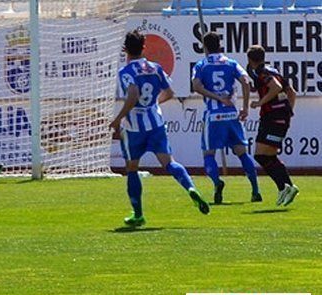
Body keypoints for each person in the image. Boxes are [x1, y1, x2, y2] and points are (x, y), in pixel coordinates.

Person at [110, 30, 210, 227]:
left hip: (134, 128)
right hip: (155, 122)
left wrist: (118, 119)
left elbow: (132, 95)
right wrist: (154, 104)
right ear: (143, 47)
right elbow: (170, 93)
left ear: (125, 50)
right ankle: (190, 187)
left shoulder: (125, 72)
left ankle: (138, 214)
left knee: (132, 168)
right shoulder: (155, 68)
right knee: (169, 162)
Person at [191, 32, 261, 204]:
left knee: (208, 154)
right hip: (231, 114)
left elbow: (197, 86)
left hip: (214, 116)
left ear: (204, 47)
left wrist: (216, 97)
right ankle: (255, 191)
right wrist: (244, 107)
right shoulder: (231, 63)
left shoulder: (201, 65)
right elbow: (246, 81)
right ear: (220, 45)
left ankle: (217, 183)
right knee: (242, 153)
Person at [246, 45, 299, 206]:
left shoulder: (262, 73)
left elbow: (275, 87)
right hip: (278, 118)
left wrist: (260, 102)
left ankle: (285, 186)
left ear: (250, 60)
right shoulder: (273, 70)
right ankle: (287, 187)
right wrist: (288, 111)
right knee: (267, 155)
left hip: (272, 118)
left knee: (261, 156)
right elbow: (292, 92)